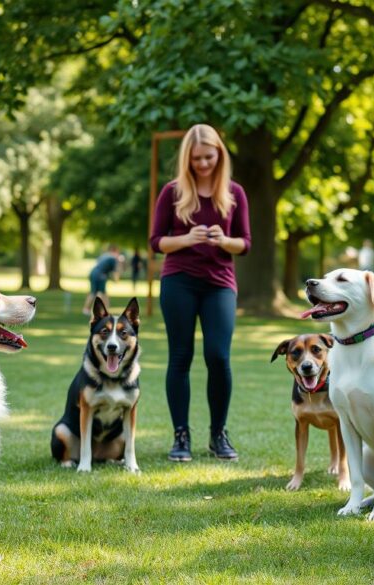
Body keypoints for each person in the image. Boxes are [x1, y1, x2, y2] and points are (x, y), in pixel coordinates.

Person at [149, 124, 251, 462]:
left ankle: (218, 433)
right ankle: (181, 436)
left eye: (209, 157)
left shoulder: (234, 192)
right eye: (196, 159)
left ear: (219, 154)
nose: (203, 164)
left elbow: (245, 244)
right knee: (180, 357)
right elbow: (156, 242)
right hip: (179, 280)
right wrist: (188, 238)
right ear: (187, 160)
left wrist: (223, 240)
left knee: (218, 356)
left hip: (219, 283)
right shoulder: (173, 192)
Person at [82, 244, 120, 315]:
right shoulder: (113, 259)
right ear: (115, 251)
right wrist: (116, 280)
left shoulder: (104, 256)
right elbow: (115, 273)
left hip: (93, 273)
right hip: (100, 275)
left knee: (95, 292)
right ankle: (104, 309)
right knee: (99, 293)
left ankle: (86, 309)